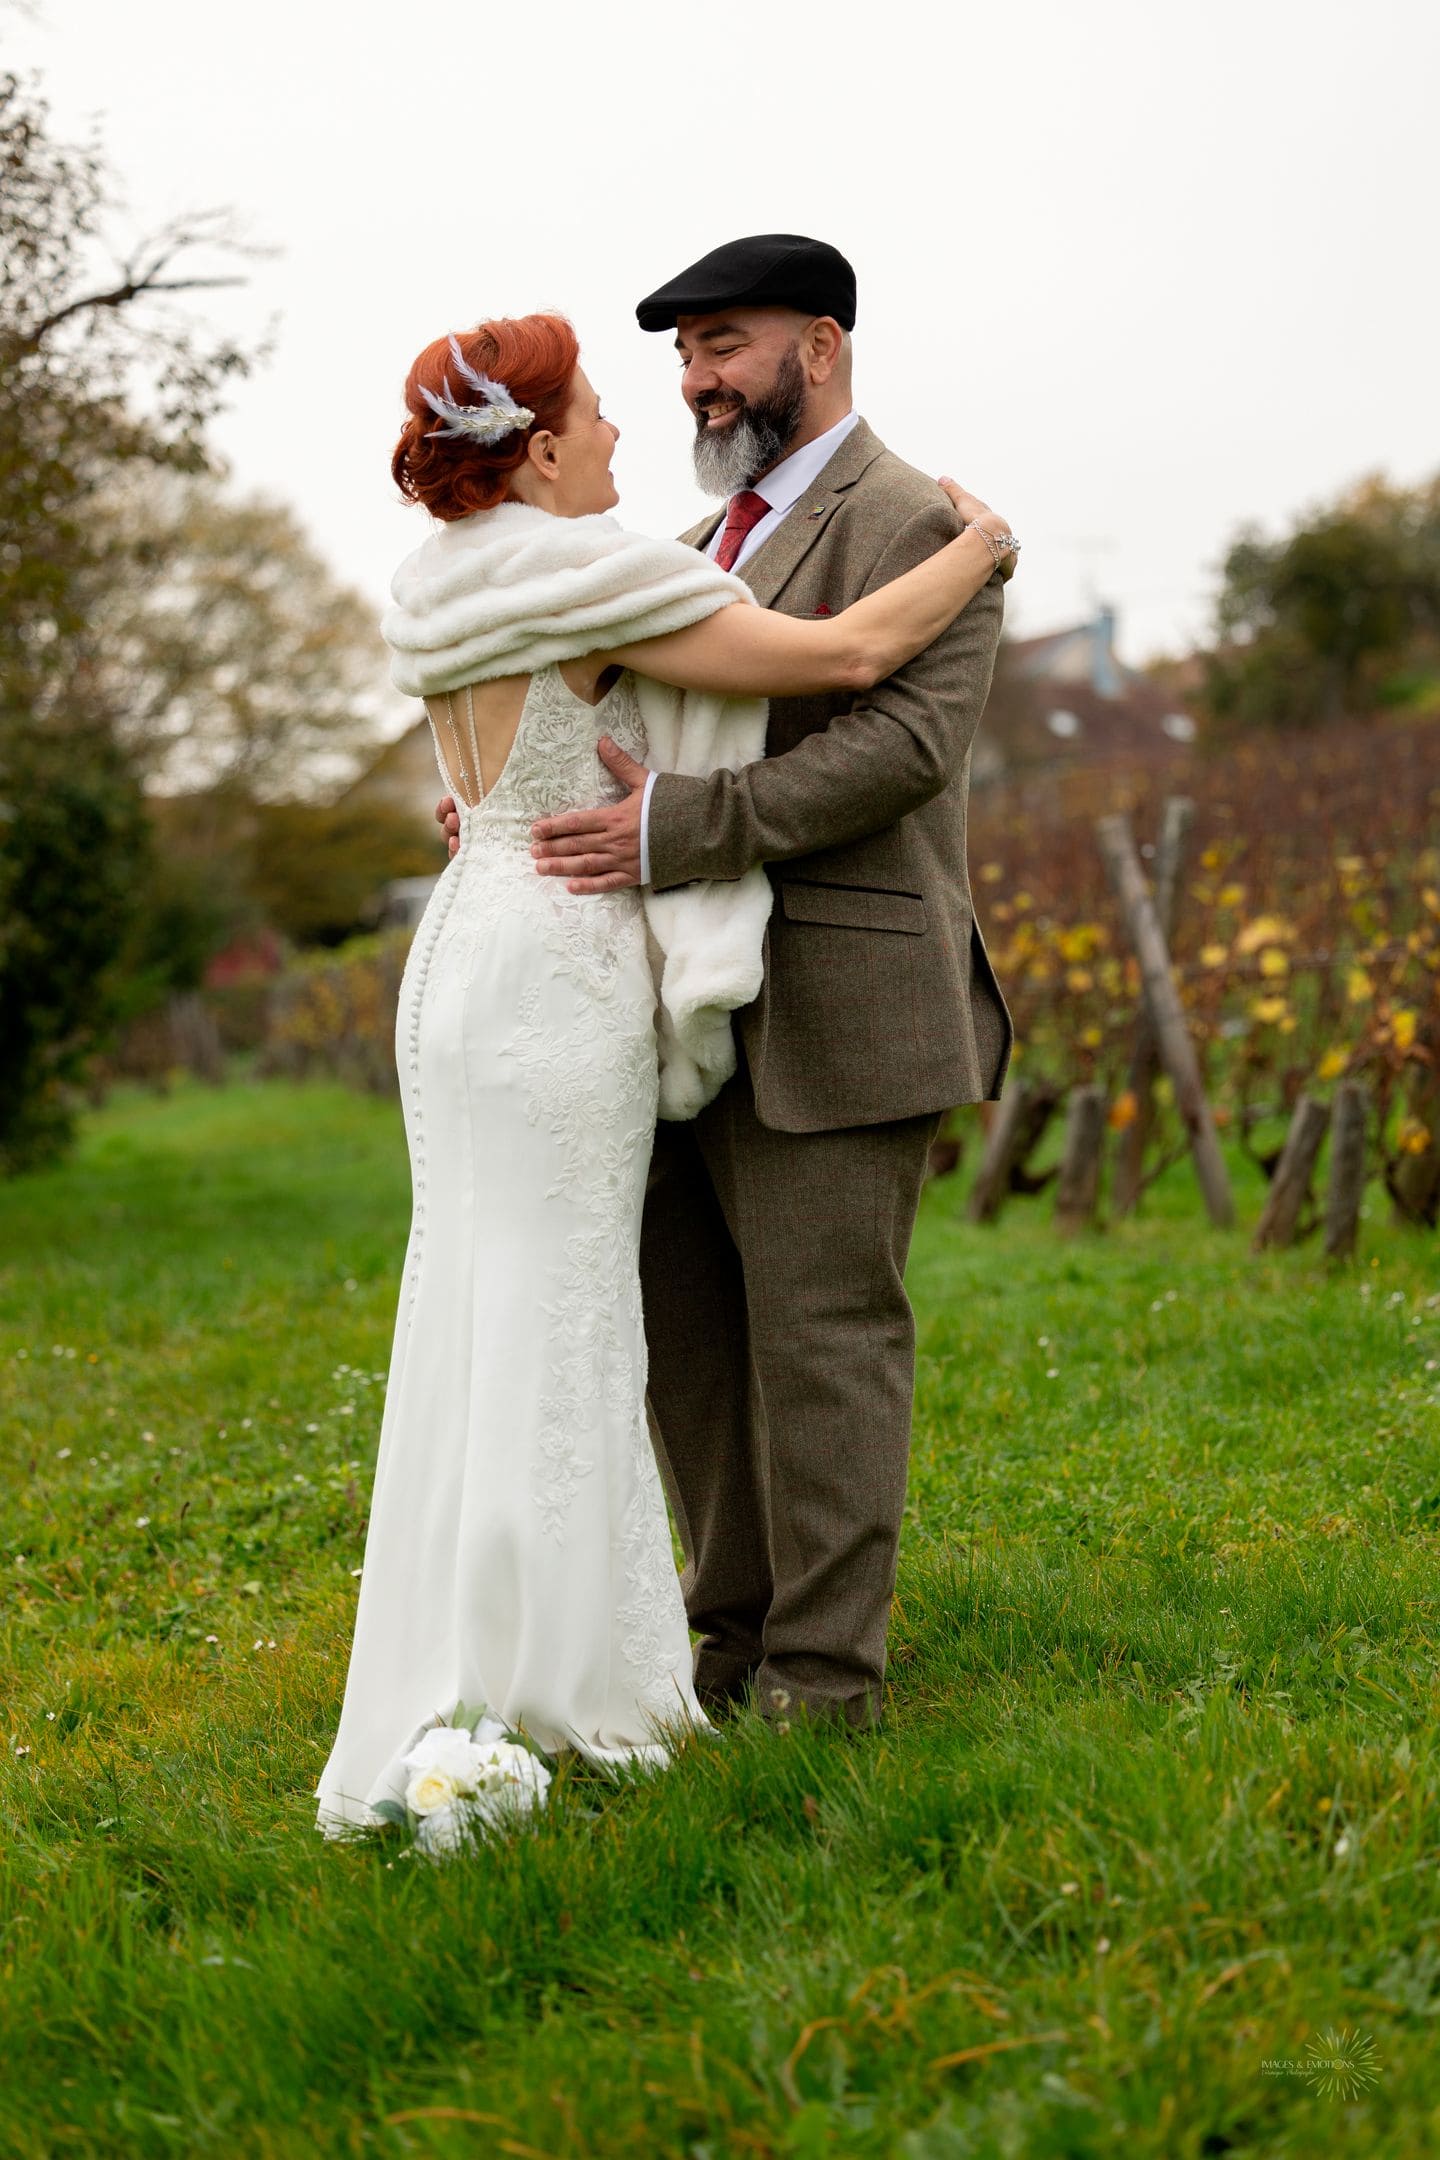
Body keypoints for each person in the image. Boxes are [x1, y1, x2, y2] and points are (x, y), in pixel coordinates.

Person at [315, 305, 1015, 1832]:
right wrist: (989, 544)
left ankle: (639, 1662)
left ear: (818, 345)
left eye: (716, 345)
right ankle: (610, 1665)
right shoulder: (621, 555)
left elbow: (896, 742)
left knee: (513, 1310)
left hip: (486, 954)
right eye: (622, 396)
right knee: (587, 1325)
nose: (656, 410)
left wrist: (501, 809)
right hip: (563, 971)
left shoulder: (442, 579)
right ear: (544, 442)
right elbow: (844, 654)